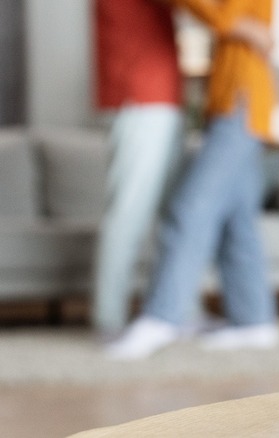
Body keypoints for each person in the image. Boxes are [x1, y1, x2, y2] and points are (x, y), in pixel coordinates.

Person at [105, 0, 279, 360]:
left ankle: (161, 317)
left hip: (243, 100)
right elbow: (234, 23)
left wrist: (236, 25)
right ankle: (254, 321)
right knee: (237, 219)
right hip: (231, 101)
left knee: (189, 206)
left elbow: (225, 16)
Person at [92, 0, 185, 335]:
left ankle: (172, 312)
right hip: (140, 94)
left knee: (173, 214)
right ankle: (109, 321)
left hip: (161, 95)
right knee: (128, 214)